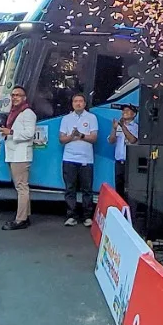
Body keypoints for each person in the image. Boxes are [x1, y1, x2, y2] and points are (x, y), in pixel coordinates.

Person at [57, 92, 98, 227]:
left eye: (80, 101)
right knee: (70, 188)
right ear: (72, 104)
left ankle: (87, 216)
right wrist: (71, 136)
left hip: (86, 159)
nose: (78, 103)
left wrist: (80, 135)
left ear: (85, 104)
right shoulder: (66, 119)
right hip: (69, 158)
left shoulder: (91, 118)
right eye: (75, 101)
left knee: (87, 189)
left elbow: (94, 138)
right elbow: (62, 139)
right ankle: (71, 216)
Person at [1, 86, 37, 231]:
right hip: (14, 153)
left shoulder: (28, 113)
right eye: (13, 95)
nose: (15, 97)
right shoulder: (14, 112)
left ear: (24, 98)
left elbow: (29, 133)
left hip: (20, 155)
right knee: (21, 186)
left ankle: (20, 219)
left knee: (21, 187)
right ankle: (25, 216)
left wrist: (10, 132)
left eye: (18, 95)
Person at [109, 103, 138, 198]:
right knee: (119, 189)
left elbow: (133, 140)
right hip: (119, 163)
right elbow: (111, 141)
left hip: (130, 163)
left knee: (129, 189)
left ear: (134, 114)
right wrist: (114, 129)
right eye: (123, 110)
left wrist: (123, 127)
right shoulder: (118, 126)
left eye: (127, 110)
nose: (124, 112)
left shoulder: (136, 127)